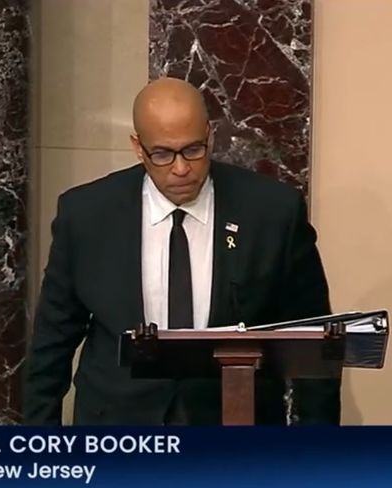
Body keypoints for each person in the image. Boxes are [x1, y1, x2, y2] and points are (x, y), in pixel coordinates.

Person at [22, 77, 339, 426]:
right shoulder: (87, 216)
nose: (181, 168)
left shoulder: (272, 212)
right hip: (119, 433)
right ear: (138, 147)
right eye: (162, 154)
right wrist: (42, 452)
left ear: (210, 136)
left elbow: (314, 342)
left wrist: (316, 454)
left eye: (193, 149)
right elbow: (51, 345)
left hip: (235, 434)